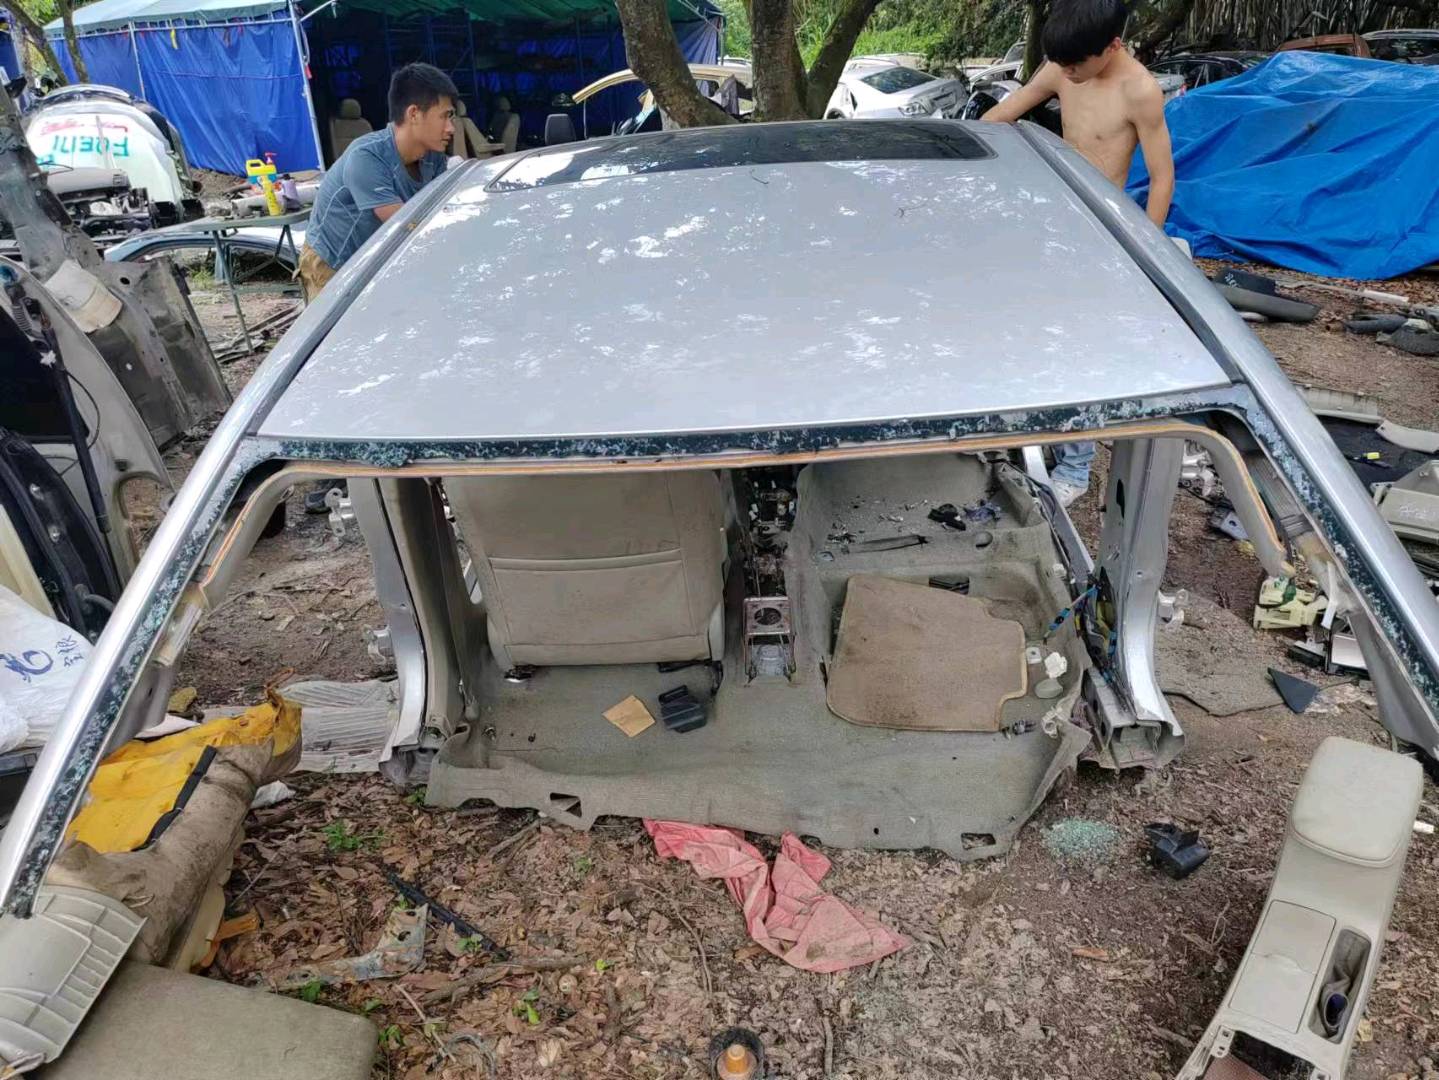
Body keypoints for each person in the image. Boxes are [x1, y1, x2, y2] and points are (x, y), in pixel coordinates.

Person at [982, 0, 1175, 507]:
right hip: (1052, 226)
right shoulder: (1062, 67)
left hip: (1102, 236)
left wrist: (1144, 253)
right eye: (1061, 65)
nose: (1066, 75)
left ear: (1112, 46)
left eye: (1074, 66)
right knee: (1031, 331)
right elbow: (1000, 116)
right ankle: (1037, 435)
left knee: (1081, 349)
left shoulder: (1140, 90)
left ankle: (1075, 466)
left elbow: (1161, 179)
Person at [298, 63, 457, 302]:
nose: (451, 128)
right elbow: (407, 227)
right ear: (414, 114)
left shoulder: (433, 158)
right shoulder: (366, 157)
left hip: (374, 256)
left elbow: (437, 209)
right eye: (444, 116)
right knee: (342, 325)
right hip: (332, 262)